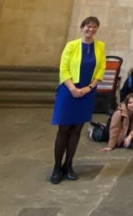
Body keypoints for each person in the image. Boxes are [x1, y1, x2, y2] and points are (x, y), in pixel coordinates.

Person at [50, 16, 107, 184]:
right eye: (88, 26)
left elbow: (102, 68)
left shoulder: (100, 46)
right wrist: (73, 88)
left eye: (94, 27)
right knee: (64, 129)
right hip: (69, 90)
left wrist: (89, 88)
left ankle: (69, 165)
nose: (91, 30)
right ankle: (56, 167)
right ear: (82, 27)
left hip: (87, 91)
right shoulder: (71, 45)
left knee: (76, 129)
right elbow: (64, 68)